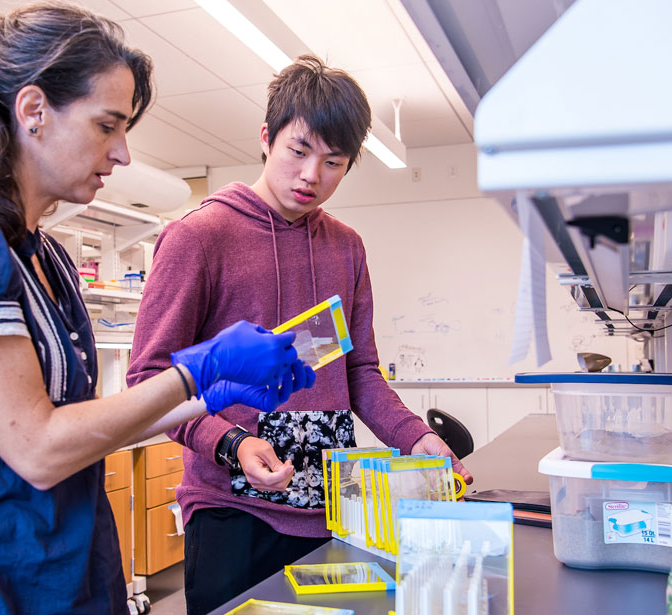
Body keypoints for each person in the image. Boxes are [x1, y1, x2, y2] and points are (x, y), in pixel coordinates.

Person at [0, 4, 313, 613]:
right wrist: (196, 369)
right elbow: (38, 447)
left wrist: (211, 395)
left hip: (67, 569)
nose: (123, 153)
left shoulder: (45, 255)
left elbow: (82, 425)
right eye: (107, 126)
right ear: (33, 111)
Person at [127, 54, 474, 614]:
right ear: (266, 138)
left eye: (333, 161)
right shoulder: (199, 236)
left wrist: (415, 438)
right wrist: (231, 443)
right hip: (231, 510)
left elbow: (358, 373)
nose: (313, 175)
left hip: (327, 511)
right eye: (298, 151)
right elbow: (147, 379)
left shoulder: (346, 247)